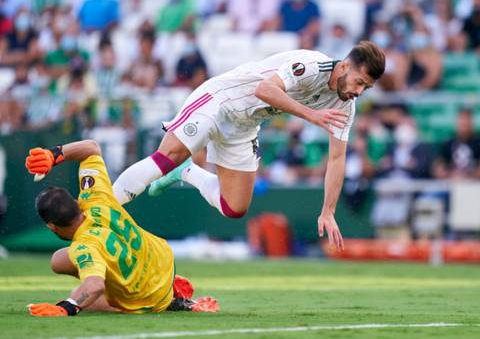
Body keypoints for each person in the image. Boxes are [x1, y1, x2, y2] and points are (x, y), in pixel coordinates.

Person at [112, 42, 386, 251]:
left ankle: (186, 172)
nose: (359, 92)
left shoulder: (345, 106)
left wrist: (328, 210)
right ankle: (102, 207)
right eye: (359, 82)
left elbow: (337, 159)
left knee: (234, 207)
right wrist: (311, 114)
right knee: (167, 156)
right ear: (345, 67)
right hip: (220, 99)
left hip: (245, 125)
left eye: (367, 88)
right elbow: (264, 90)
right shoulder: (311, 65)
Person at [23, 139, 219, 316]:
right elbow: (91, 148)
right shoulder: (94, 197)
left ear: (51, 226)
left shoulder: (84, 247)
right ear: (76, 202)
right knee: (58, 260)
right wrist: (53, 154)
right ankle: (169, 286)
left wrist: (68, 306)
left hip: (149, 296)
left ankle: (172, 302)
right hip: (162, 260)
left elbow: (94, 286)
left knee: (90, 300)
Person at [433, 108, 480, 180]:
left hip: (475, 184)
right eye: (462, 119)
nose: (464, 123)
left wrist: (468, 177)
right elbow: (437, 165)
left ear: (472, 122)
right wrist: (448, 175)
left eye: (467, 119)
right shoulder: (448, 143)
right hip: (452, 183)